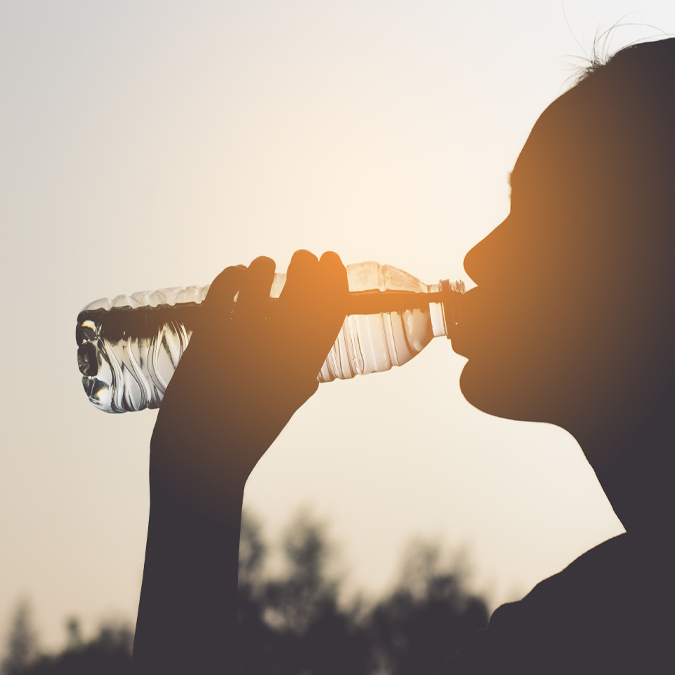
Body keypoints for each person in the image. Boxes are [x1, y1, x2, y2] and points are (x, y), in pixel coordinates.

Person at [131, 38, 675, 674]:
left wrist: (195, 487)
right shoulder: (580, 624)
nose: (478, 258)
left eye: (539, 213)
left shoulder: (595, 635)